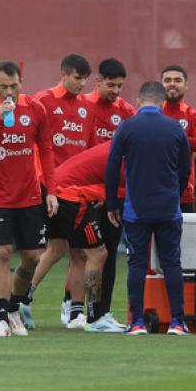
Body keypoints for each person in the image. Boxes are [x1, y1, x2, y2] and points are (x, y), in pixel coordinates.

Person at [0, 61, 59, 337]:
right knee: (3, 253)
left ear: (22, 82)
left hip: (30, 195)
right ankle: (2, 318)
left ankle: (14, 306)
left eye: (14, 86)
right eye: (3, 86)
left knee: (32, 258)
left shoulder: (35, 109)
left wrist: (51, 190)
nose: (9, 92)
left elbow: (45, 149)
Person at [105, 81, 192, 336]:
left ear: (138, 101)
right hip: (168, 207)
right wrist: (174, 193)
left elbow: (112, 166)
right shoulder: (175, 128)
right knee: (172, 263)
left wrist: (112, 203)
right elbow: (185, 169)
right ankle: (178, 321)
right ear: (163, 102)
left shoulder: (127, 126)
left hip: (136, 209)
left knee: (137, 264)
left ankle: (137, 322)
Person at [26, 54, 97, 328]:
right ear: (63, 74)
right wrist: (45, 185)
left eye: (84, 79)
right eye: (77, 78)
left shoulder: (86, 108)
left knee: (66, 250)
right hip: (50, 189)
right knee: (79, 251)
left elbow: (89, 151)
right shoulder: (43, 101)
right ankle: (26, 298)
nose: (81, 84)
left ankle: (75, 312)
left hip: (77, 192)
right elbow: (33, 146)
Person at [36, 142, 113, 332]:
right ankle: (94, 316)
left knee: (76, 254)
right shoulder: (125, 153)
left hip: (53, 189)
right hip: (68, 197)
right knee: (98, 254)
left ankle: (22, 300)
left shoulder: (116, 147)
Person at [84, 57, 135, 330]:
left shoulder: (126, 111)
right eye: (111, 85)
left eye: (120, 86)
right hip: (86, 196)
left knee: (107, 255)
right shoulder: (84, 108)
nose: (115, 90)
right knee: (88, 254)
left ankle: (99, 313)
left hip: (113, 197)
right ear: (98, 81)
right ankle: (84, 312)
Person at [160, 64, 196, 212]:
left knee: (183, 234)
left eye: (177, 80)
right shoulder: (151, 111)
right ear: (161, 84)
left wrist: (173, 137)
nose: (172, 84)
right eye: (167, 80)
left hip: (183, 192)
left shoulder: (193, 115)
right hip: (153, 189)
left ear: (186, 85)